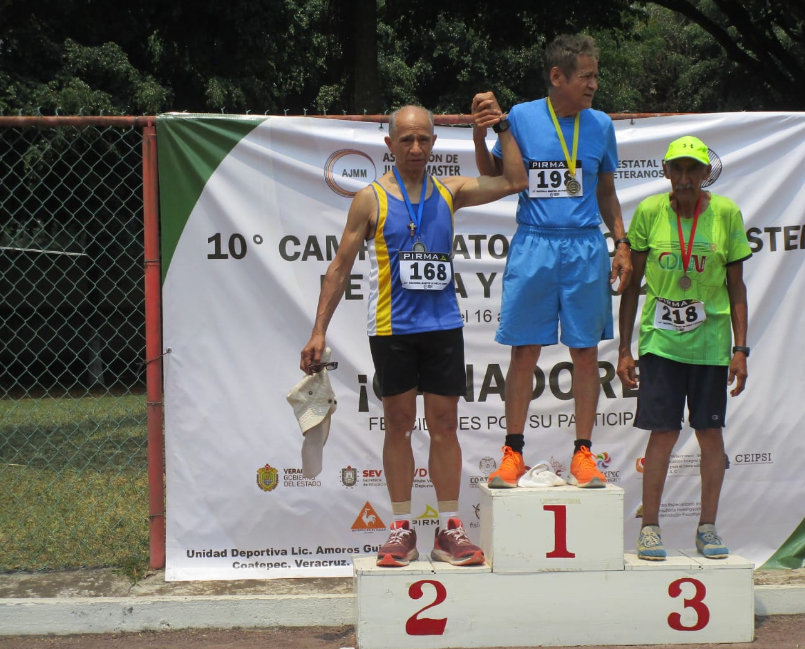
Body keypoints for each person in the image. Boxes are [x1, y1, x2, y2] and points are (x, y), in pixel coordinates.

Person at [300, 99, 527, 567]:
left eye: (424, 138)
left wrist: (500, 126)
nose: (416, 147)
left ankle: (449, 529)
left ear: (435, 143)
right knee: (399, 425)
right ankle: (401, 528)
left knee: (445, 426)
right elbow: (340, 268)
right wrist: (318, 329)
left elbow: (515, 181)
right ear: (389, 144)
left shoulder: (450, 191)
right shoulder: (371, 199)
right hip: (393, 328)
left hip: (443, 326)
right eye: (406, 139)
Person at [475, 34, 632, 489]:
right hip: (535, 243)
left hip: (584, 245)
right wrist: (480, 132)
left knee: (585, 353)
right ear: (557, 77)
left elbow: (606, 191)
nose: (594, 85)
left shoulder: (600, 125)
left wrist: (620, 242)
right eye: (586, 76)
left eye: (596, 76)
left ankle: (583, 454)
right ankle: (513, 452)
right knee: (524, 351)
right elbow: (495, 176)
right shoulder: (521, 117)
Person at [617, 135, 751, 560]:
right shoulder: (650, 212)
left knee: (710, 433)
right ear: (666, 171)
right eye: (678, 168)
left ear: (706, 173)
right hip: (661, 341)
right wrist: (624, 349)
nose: (686, 177)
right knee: (664, 432)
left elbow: (737, 288)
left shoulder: (726, 212)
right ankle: (650, 527)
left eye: (694, 169)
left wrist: (741, 349)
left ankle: (707, 528)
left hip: (711, 344)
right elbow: (632, 286)